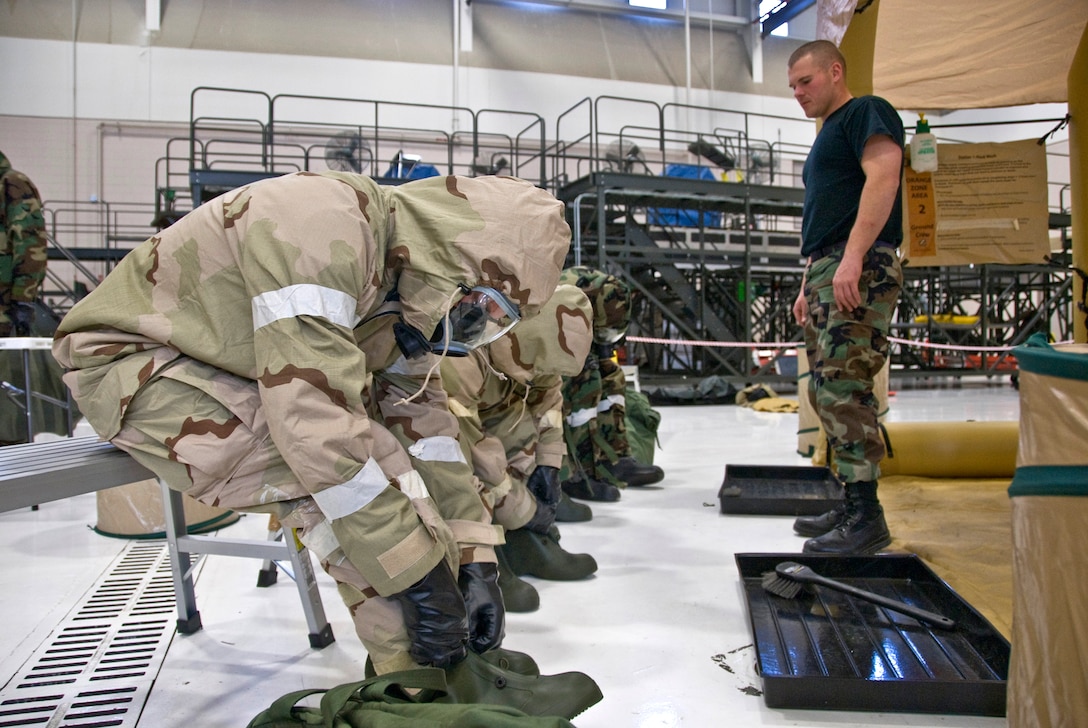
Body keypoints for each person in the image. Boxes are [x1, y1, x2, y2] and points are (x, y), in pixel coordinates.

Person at [53, 172, 602, 716]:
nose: (472, 329)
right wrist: (419, 579)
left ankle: (444, 666)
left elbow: (425, 427)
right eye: (480, 310)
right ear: (453, 258)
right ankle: (420, 693)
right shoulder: (321, 223)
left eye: (493, 325)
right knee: (346, 489)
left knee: (391, 468)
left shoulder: (408, 281)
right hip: (133, 366)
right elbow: (315, 429)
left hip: (225, 365)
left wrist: (475, 552)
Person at [787, 40, 905, 554]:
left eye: (805, 82)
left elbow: (884, 177)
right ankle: (851, 498)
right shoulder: (825, 136)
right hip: (827, 267)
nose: (797, 93)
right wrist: (807, 280)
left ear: (835, 71)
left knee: (843, 385)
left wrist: (854, 256)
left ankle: (867, 516)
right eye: (792, 87)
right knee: (825, 389)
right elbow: (825, 214)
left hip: (860, 262)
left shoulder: (867, 112)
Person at [441, 284, 598, 612]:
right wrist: (524, 509)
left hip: (484, 399)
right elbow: (468, 448)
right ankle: (478, 561)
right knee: (458, 476)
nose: (542, 374)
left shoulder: (536, 348)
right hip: (432, 428)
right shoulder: (461, 350)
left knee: (523, 431)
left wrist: (549, 467)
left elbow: (549, 406)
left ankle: (521, 543)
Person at [558, 266, 664, 502]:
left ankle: (613, 458)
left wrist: (602, 351)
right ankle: (577, 471)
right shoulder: (565, 294)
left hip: (578, 339)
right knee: (584, 383)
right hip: (549, 356)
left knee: (612, 376)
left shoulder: (612, 294)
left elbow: (608, 331)